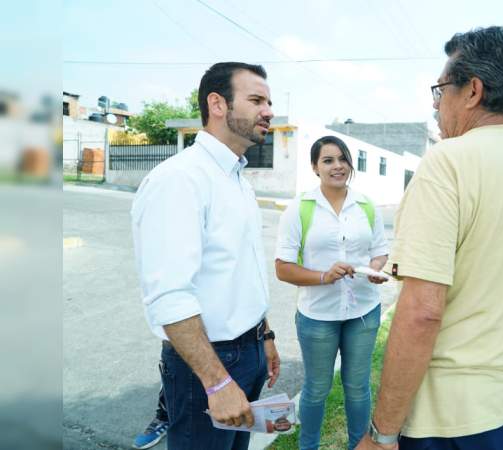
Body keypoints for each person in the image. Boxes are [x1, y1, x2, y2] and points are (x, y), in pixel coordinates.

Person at [356, 26, 503, 450]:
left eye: (440, 92)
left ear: (472, 91)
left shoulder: (446, 163)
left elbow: (422, 311)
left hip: (453, 421)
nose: (436, 107)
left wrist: (382, 434)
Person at [131, 62, 280, 450]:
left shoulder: (235, 179)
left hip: (247, 351)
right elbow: (169, 296)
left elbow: (238, 271)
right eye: (256, 100)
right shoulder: (180, 180)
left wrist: (264, 334)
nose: (269, 110)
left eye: (269, 101)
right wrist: (217, 381)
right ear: (217, 103)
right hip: (209, 365)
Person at [275, 135, 390, 450]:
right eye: (328, 160)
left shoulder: (366, 205)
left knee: (357, 387)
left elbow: (380, 251)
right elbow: (283, 268)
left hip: (364, 312)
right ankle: (308, 446)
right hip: (318, 316)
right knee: (316, 389)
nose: (337, 166)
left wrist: (375, 268)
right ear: (315, 167)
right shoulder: (300, 209)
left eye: (342, 159)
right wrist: (324, 276)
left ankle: (358, 446)